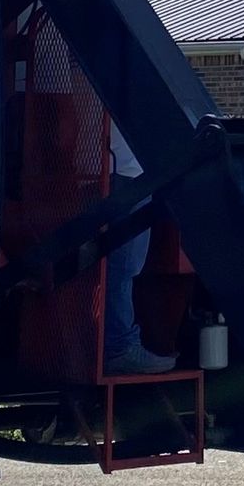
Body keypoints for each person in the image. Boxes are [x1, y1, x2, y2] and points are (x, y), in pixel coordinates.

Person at [104, 126, 175, 376]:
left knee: (112, 269)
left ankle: (113, 345)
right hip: (126, 174)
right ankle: (119, 347)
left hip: (108, 170)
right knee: (124, 268)